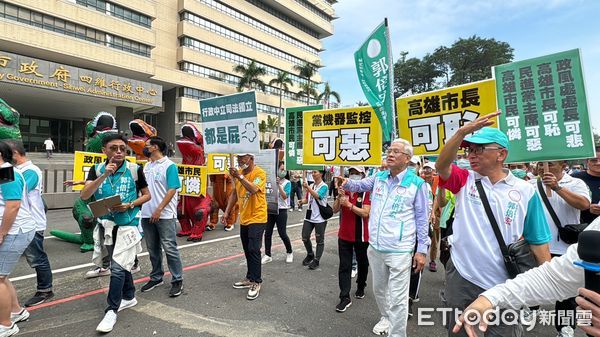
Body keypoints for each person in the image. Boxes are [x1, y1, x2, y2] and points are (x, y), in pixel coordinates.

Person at [435, 112, 552, 337]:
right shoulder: (465, 179)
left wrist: (545, 282)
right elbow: (442, 166)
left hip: (505, 284)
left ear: (501, 154)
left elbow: (538, 241)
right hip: (463, 277)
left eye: (479, 149)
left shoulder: (526, 191)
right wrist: (461, 132)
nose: (471, 155)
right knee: (460, 332)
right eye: (469, 150)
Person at [338, 138, 430, 337]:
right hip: (376, 247)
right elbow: (359, 185)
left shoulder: (417, 184)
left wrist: (422, 250)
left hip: (400, 250)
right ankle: (386, 317)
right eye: (389, 150)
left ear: (407, 158)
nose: (390, 154)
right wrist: (347, 182)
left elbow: (423, 220)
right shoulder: (379, 177)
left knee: (397, 297)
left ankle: (397, 333)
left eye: (396, 151)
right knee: (379, 290)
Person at [452, 219, 600, 337]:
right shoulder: (596, 230)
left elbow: (538, 238)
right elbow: (554, 278)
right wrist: (491, 298)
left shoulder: (525, 191)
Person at [80, 133, 150, 333]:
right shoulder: (96, 169)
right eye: (113, 148)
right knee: (119, 263)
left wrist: (130, 204)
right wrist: (103, 175)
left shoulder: (135, 169)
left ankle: (112, 309)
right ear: (104, 150)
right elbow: (85, 195)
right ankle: (129, 296)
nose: (119, 152)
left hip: (128, 224)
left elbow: (147, 195)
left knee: (117, 268)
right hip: (105, 224)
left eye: (122, 148)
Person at [533, 160, 590, 337]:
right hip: (538, 246)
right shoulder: (530, 184)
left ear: (563, 164)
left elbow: (583, 204)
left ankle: (565, 327)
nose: (544, 167)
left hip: (566, 247)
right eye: (541, 164)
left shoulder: (575, 182)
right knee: (535, 282)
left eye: (550, 163)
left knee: (567, 291)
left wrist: (557, 187)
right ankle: (530, 308)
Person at [6, 140, 54, 307]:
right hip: (19, 222)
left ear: (14, 154)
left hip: (30, 222)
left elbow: (16, 193)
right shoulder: (17, 170)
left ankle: (45, 290)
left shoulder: (29, 171)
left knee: (37, 258)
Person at [140, 136, 184, 297]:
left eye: (147, 145)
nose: (145, 148)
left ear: (156, 147)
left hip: (164, 214)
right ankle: (156, 276)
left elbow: (172, 189)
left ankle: (177, 279)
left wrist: (159, 209)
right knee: (152, 249)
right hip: (146, 213)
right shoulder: (146, 166)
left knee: (169, 248)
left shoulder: (169, 166)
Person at [0, 141, 36, 337]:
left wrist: (2, 232)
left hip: (15, 230)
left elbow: (13, 206)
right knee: (2, 276)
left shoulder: (7, 172)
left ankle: (5, 325)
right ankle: (16, 312)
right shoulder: (5, 171)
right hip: (13, 229)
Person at [223, 153, 268, 300]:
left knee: (254, 249)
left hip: (258, 216)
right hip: (245, 217)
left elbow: (254, 189)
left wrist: (239, 177)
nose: (240, 160)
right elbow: (234, 194)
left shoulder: (259, 173)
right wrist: (227, 212)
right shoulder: (239, 173)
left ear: (251, 158)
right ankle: (249, 278)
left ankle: (256, 281)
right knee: (247, 249)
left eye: (242, 158)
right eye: (238, 158)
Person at [332, 166, 370, 313]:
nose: (354, 175)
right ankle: (344, 297)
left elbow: (366, 213)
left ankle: (361, 285)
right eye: (352, 173)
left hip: (361, 235)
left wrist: (349, 205)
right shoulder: (344, 189)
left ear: (362, 175)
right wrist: (338, 197)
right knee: (344, 266)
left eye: (357, 173)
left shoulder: (366, 192)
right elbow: (335, 210)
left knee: (363, 263)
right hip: (344, 234)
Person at [262, 161, 293, 264]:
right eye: (281, 169)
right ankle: (267, 254)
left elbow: (285, 196)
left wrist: (279, 185)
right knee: (267, 233)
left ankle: (289, 252)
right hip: (270, 209)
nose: (282, 171)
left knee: (282, 233)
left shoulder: (287, 183)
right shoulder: (270, 180)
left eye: (284, 170)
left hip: (281, 210)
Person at [298, 170, 329, 270]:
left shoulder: (324, 186)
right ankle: (310, 254)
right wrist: (301, 202)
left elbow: (318, 196)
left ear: (321, 174)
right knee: (304, 237)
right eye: (312, 172)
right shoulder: (311, 186)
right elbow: (308, 199)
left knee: (319, 240)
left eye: (315, 172)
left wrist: (307, 187)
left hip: (320, 218)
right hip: (309, 216)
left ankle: (316, 260)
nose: (313, 174)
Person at [572, 149, 600, 225]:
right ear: (587, 162)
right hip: (584, 227)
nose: (598, 163)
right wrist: (587, 207)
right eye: (594, 160)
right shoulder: (575, 179)